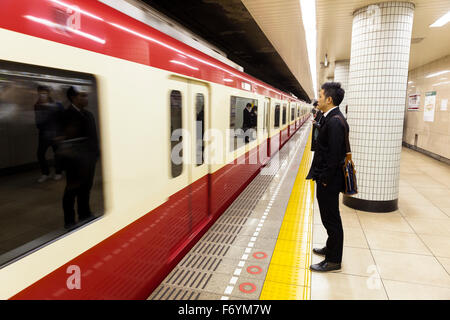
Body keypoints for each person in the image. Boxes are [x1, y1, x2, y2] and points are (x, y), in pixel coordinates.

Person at [308, 82, 349, 272]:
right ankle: (329, 248)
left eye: (321, 95)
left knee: (331, 219)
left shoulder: (335, 121)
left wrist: (324, 178)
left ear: (329, 99)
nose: (318, 99)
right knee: (329, 217)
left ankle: (333, 260)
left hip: (329, 180)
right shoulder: (331, 117)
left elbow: (333, 156)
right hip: (328, 178)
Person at [59, 86, 99, 229]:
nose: (85, 98)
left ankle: (84, 213)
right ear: (73, 98)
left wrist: (95, 155)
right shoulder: (66, 115)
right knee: (71, 190)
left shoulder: (89, 115)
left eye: (85, 95)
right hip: (74, 161)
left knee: (86, 187)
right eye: (82, 96)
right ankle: (69, 220)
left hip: (89, 160)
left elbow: (93, 137)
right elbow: (63, 141)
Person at [34, 85, 64, 183]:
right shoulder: (37, 105)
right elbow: (38, 121)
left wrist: (60, 134)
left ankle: (58, 172)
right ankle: (45, 173)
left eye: (44, 93)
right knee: (40, 154)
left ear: (48, 93)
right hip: (44, 135)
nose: (42, 95)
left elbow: (62, 120)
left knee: (57, 154)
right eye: (40, 93)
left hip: (56, 134)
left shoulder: (57, 105)